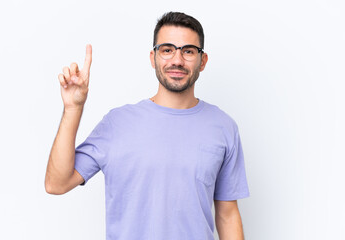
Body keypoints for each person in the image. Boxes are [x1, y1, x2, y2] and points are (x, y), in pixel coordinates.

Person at [45, 11, 250, 240]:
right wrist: (73, 109)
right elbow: (57, 183)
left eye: (189, 51)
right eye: (167, 49)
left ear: (203, 61)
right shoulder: (117, 123)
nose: (177, 60)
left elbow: (228, 214)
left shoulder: (223, 127)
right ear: (153, 57)